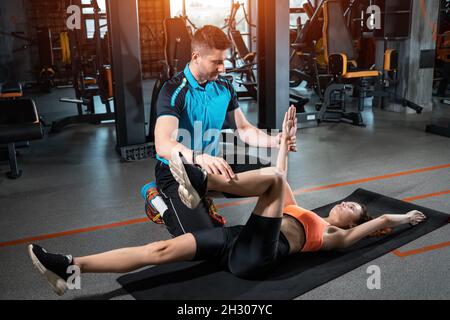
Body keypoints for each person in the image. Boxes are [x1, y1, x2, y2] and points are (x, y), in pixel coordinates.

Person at [28, 107, 426, 296]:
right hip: (235, 238)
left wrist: (401, 217)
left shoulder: (333, 236)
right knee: (161, 249)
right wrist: (285, 136)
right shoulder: (299, 208)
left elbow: (377, 226)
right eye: (348, 204)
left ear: (350, 223)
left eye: (352, 210)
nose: (345, 206)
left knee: (273, 180)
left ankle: (201, 183)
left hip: (260, 257)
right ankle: (70, 266)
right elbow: (280, 173)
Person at [152, 24, 296, 236]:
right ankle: (159, 203)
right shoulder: (174, 90)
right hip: (176, 172)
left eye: (224, 61)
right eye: (216, 62)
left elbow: (244, 129)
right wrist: (199, 158)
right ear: (196, 56)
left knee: (274, 180)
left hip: (212, 165)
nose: (223, 69)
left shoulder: (224, 87)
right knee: (204, 242)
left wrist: (276, 140)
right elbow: (163, 144)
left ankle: (298, 229)